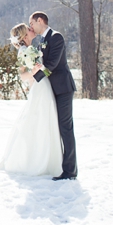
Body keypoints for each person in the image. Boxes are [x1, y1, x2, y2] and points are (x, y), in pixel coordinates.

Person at [0, 23, 63, 176]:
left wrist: (44, 70)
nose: (31, 29)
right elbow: (23, 76)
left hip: (43, 85)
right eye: (29, 29)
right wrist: (36, 71)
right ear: (25, 35)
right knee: (39, 120)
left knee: (44, 119)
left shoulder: (30, 49)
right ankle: (37, 160)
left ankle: (49, 158)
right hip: (39, 88)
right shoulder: (24, 51)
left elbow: (42, 69)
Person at [29, 11, 78, 181]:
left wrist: (34, 79)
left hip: (63, 88)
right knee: (56, 127)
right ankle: (59, 165)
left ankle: (70, 171)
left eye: (32, 23)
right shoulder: (42, 40)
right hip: (52, 90)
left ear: (40, 20)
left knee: (66, 128)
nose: (31, 27)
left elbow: (52, 64)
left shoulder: (56, 37)